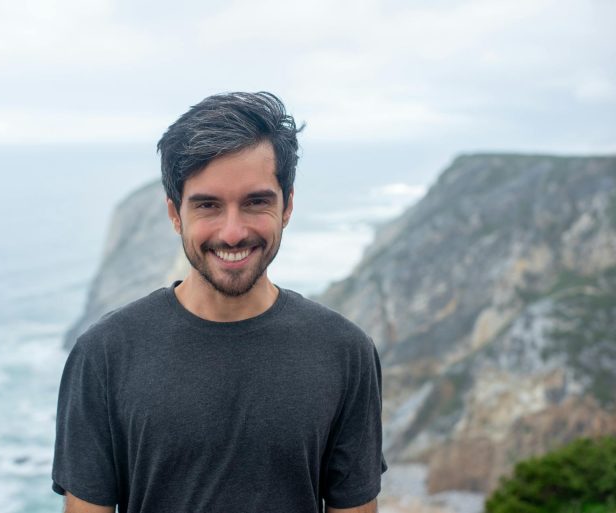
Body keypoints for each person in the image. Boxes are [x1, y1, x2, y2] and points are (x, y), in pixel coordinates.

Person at [52, 91, 387, 513]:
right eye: (208, 205)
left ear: (287, 207)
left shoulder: (344, 352)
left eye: (256, 202)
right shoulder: (104, 354)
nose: (232, 232)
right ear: (175, 215)